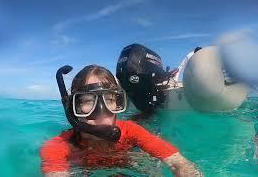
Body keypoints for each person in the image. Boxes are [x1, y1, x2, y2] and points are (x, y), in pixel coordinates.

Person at [41, 64, 202, 176]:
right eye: (88, 101)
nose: (102, 113)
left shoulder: (131, 131)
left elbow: (179, 164)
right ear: (72, 108)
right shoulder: (59, 146)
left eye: (110, 99)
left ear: (119, 102)